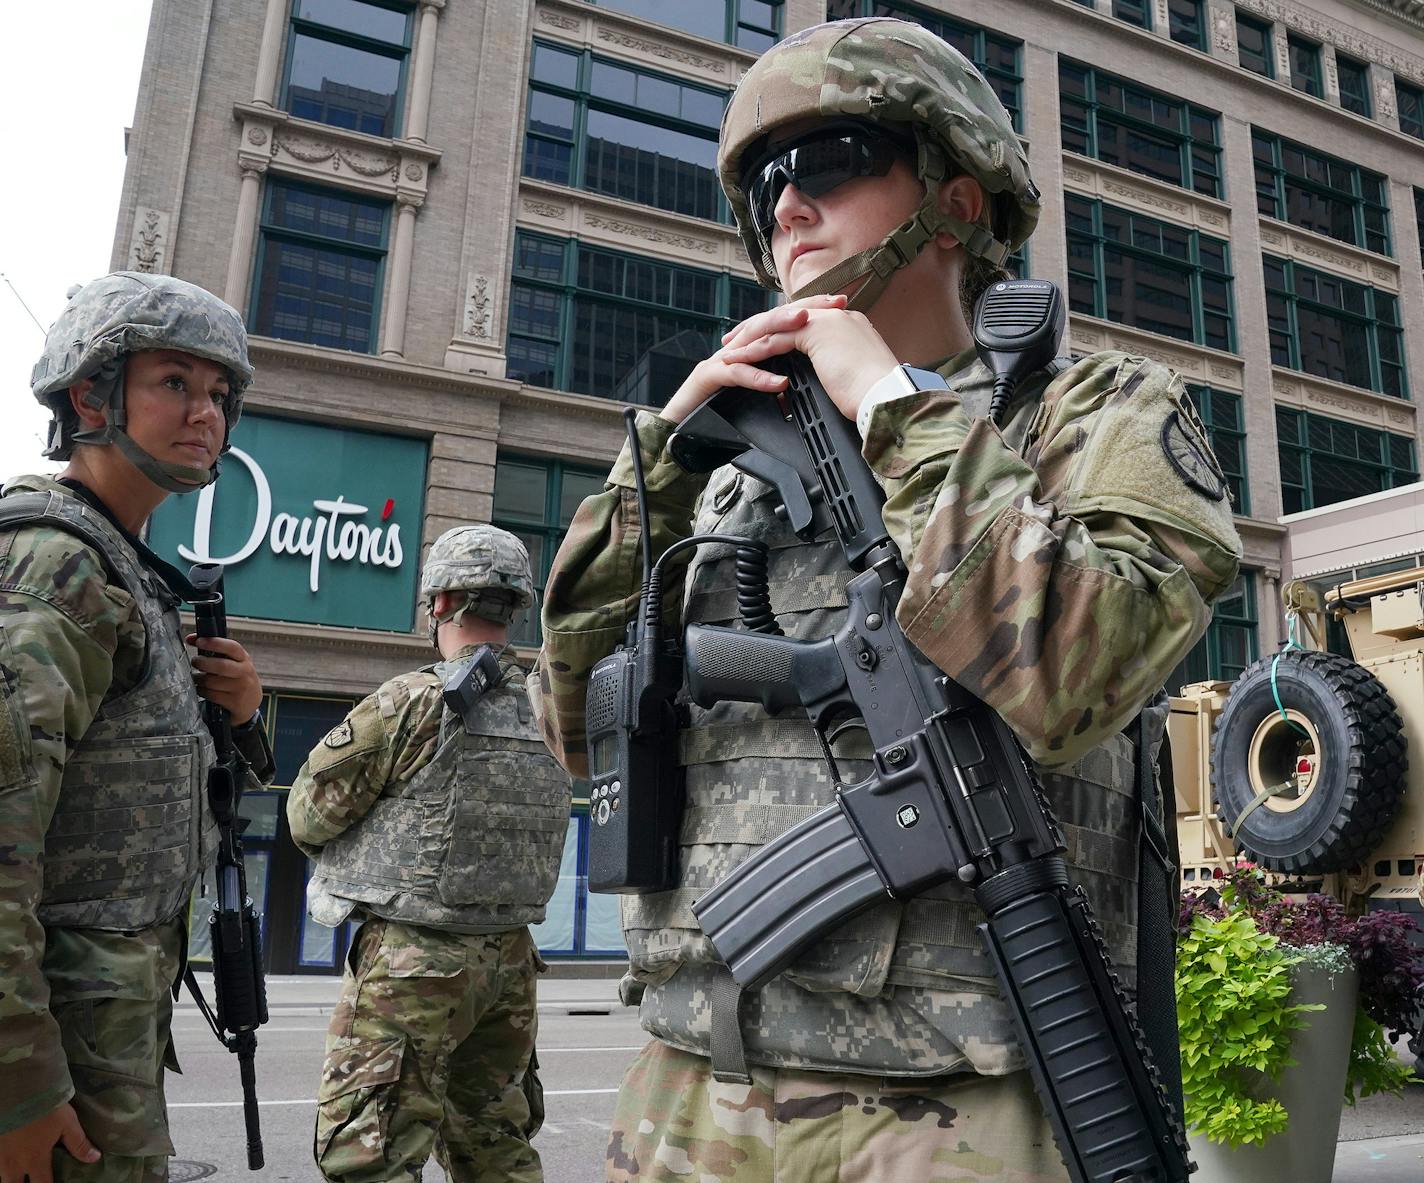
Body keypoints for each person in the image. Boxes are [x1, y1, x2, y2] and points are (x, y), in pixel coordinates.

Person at [531, 16, 1243, 1183]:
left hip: (955, 1107)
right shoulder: (714, 477)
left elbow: (1075, 670)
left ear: (957, 203)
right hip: (694, 1085)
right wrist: (658, 460)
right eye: (764, 185)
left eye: (828, 162)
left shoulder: (1098, 413)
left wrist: (896, 406)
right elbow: (575, 734)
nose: (786, 207)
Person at [0, 271, 274, 1183]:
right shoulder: (58, 567)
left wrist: (236, 718)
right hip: (55, 1052)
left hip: (102, 1029)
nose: (207, 414)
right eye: (174, 383)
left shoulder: (130, 573)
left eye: (220, 395)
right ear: (91, 395)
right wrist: (18, 1085)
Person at [287, 525, 570, 1183]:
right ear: (516, 605)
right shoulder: (553, 708)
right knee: (496, 1148)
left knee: (372, 1156)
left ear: (439, 603)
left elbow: (307, 814)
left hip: (416, 961)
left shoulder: (412, 700)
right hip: (511, 963)